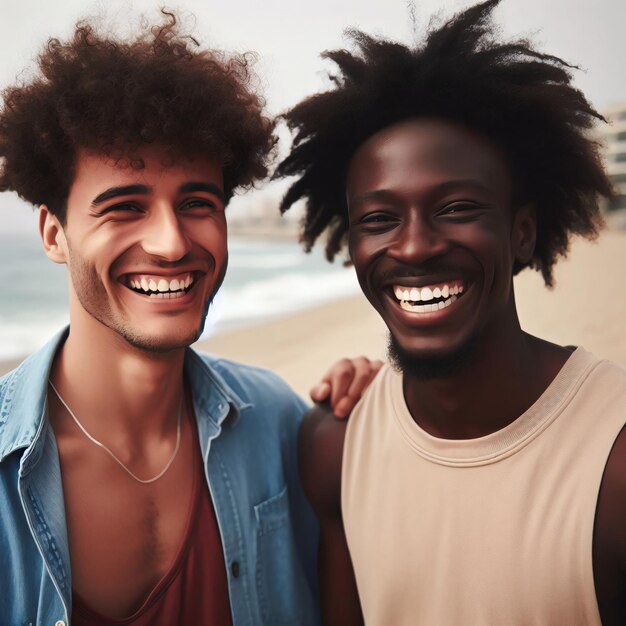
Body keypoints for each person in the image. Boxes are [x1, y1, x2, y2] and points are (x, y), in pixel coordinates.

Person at [0, 13, 380, 625]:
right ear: (54, 233)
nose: (172, 244)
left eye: (197, 203)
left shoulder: (280, 425)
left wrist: (374, 408)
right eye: (124, 207)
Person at [275, 0, 626, 624]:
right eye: (379, 220)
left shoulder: (614, 454)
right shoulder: (333, 445)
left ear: (521, 233)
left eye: (458, 207)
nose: (413, 247)